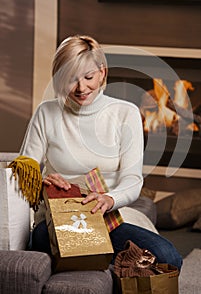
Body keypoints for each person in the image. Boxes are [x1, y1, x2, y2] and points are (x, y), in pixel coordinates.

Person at [19, 35, 182, 270]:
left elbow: (132, 179)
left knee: (168, 257)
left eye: (88, 77)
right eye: (71, 79)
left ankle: (97, 258)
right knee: (47, 241)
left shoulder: (125, 113)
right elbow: (25, 172)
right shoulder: (46, 112)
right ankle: (100, 261)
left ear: (102, 73)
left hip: (105, 217)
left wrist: (109, 199)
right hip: (57, 220)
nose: (81, 88)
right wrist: (43, 182)